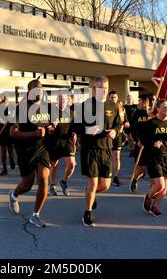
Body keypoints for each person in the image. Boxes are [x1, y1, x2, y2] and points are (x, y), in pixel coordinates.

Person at [73, 76, 122, 227]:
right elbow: (74, 126)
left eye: (106, 88)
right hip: (90, 149)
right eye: (100, 88)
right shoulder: (85, 105)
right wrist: (87, 129)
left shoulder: (112, 106)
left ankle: (90, 192)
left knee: (105, 185)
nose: (104, 91)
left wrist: (114, 131)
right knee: (93, 182)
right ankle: (87, 213)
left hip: (106, 149)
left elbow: (118, 124)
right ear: (94, 89)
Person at [8, 79, 55, 228]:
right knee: (27, 185)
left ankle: (36, 215)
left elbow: (50, 126)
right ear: (29, 92)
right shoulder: (21, 109)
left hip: (42, 149)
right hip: (25, 151)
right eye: (35, 89)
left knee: (43, 178)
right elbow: (13, 133)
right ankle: (14, 195)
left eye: (41, 89)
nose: (39, 92)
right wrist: (34, 134)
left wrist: (50, 128)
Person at [47, 91, 76, 196]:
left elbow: (74, 130)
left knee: (72, 164)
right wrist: (52, 126)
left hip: (67, 141)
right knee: (54, 165)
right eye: (60, 98)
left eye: (64, 99)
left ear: (67, 100)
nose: (62, 101)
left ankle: (64, 181)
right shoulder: (51, 111)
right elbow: (47, 129)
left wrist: (75, 142)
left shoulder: (71, 113)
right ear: (57, 99)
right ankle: (52, 185)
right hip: (54, 141)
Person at [129, 94, 150, 193]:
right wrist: (137, 141)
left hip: (152, 144)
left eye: (140, 100)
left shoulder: (152, 113)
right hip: (140, 144)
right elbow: (132, 130)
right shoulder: (136, 113)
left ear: (145, 102)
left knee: (154, 167)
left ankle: (154, 189)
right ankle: (135, 180)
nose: (139, 103)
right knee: (141, 168)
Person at [0, 95, 16, 176]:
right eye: (3, 99)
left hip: (10, 133)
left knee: (10, 150)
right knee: (3, 152)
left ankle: (11, 158)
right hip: (1, 133)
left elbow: (17, 121)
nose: (5, 100)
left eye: (6, 99)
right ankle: (4, 169)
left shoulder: (12, 109)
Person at [108, 91, 127, 186]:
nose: (113, 99)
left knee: (116, 156)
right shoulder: (105, 108)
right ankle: (107, 175)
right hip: (107, 135)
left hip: (118, 134)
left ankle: (115, 177)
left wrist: (127, 123)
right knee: (107, 156)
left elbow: (124, 120)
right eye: (111, 97)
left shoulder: (121, 109)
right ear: (108, 98)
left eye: (115, 97)